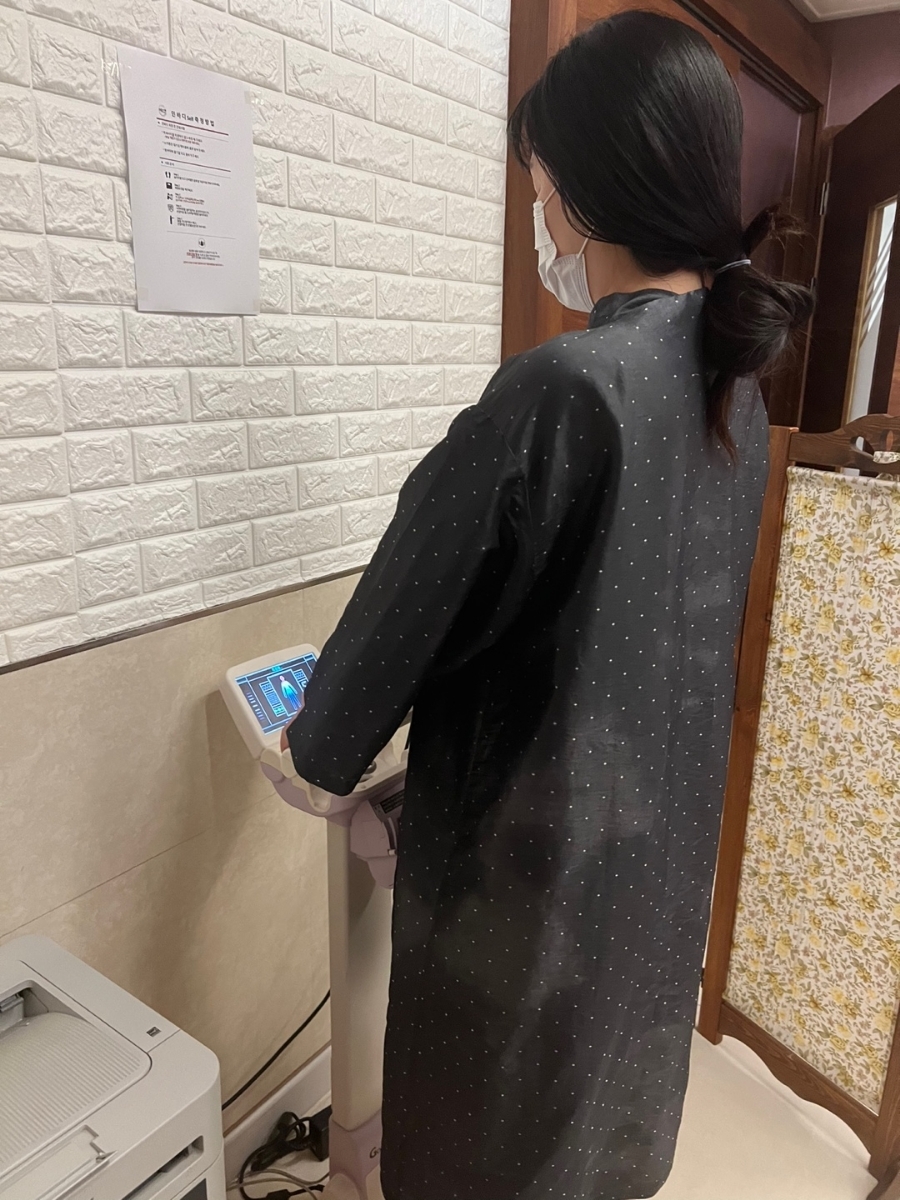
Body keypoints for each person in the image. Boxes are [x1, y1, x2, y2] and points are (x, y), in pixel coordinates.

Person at [282, 11, 812, 1200]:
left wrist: (323, 744)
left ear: (577, 193)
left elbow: (347, 704)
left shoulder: (559, 392)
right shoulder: (733, 395)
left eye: (536, 187)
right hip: (650, 893)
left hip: (521, 922)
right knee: (600, 1146)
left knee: (497, 1149)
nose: (538, 218)